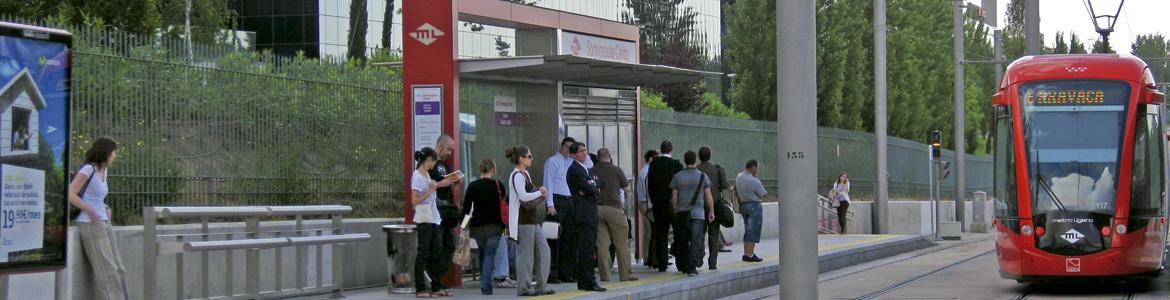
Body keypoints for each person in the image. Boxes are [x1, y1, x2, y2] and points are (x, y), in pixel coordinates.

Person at [69, 137, 129, 300]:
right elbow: (71, 194)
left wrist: (105, 207)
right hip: (90, 223)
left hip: (103, 221)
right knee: (107, 269)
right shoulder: (88, 169)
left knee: (118, 266)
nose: (115, 155)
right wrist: (91, 211)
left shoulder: (104, 171)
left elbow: (96, 196)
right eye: (114, 152)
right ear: (106, 152)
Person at [505, 145, 555, 296]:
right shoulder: (517, 176)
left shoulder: (525, 173)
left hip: (532, 219)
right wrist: (540, 192)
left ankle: (541, 285)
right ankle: (524, 287)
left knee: (544, 251)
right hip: (522, 220)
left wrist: (538, 191)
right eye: (529, 156)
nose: (532, 159)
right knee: (527, 255)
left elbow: (530, 192)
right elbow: (524, 196)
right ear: (521, 158)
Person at [461, 159, 514, 295]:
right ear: (493, 169)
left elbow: (466, 208)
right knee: (490, 253)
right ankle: (486, 285)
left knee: (484, 252)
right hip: (495, 226)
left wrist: (463, 226)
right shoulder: (498, 185)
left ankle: (484, 280)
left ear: (481, 169)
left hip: (477, 227)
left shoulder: (473, 186)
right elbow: (506, 204)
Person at [411, 147, 456, 298]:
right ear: (428, 160)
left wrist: (435, 186)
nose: (434, 163)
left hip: (433, 215)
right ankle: (420, 287)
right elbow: (414, 201)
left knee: (435, 250)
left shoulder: (427, 175)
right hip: (424, 215)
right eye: (433, 160)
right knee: (423, 251)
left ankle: (436, 285)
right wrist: (430, 191)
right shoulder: (418, 177)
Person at [542, 137, 588, 283]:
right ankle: (551, 273)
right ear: (562, 147)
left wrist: (577, 155)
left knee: (569, 239)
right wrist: (549, 204)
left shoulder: (572, 162)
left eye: (572, 149)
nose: (569, 150)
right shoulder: (553, 161)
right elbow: (547, 181)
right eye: (567, 147)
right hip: (556, 200)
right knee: (553, 238)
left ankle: (566, 272)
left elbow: (590, 163)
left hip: (570, 201)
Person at [590, 148, 638, 282]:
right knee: (621, 243)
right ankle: (625, 274)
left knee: (602, 244)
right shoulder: (616, 169)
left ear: (598, 158)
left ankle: (605, 275)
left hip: (597, 209)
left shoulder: (592, 171)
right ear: (610, 156)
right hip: (614, 209)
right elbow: (627, 188)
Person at [566, 142, 607, 291]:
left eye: (585, 150)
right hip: (584, 213)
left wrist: (593, 185)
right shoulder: (574, 170)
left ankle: (584, 280)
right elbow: (589, 187)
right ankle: (589, 280)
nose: (585, 153)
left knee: (587, 247)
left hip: (590, 211)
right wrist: (593, 186)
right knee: (587, 248)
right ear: (573, 155)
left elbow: (602, 182)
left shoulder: (586, 169)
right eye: (581, 151)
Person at [670, 151, 715, 277]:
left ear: (685, 161)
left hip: (682, 213)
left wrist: (675, 211)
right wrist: (711, 212)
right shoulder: (702, 176)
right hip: (698, 214)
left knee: (683, 240)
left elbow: (674, 197)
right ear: (695, 161)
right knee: (696, 240)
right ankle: (692, 267)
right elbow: (709, 196)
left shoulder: (677, 176)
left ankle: (683, 265)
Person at [429, 135, 462, 287]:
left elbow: (445, 184)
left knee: (450, 245)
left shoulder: (444, 164)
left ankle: (436, 277)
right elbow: (429, 183)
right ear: (440, 146)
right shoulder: (430, 162)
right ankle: (432, 279)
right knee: (437, 245)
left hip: (447, 209)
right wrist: (442, 183)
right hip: (435, 209)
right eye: (448, 149)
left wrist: (453, 182)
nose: (450, 153)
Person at [647, 141, 683, 271]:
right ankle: (680, 262)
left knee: (661, 234)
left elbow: (650, 184)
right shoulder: (676, 165)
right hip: (673, 204)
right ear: (671, 150)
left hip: (658, 203)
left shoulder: (654, 164)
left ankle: (662, 264)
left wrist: (654, 199)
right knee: (678, 233)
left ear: (661, 150)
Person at [694, 146, 730, 270]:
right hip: (714, 205)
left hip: (698, 206)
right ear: (710, 155)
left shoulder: (695, 169)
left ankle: (699, 257)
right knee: (714, 234)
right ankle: (712, 262)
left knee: (700, 233)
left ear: (699, 156)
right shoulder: (718, 169)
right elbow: (725, 185)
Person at [735, 160, 766, 262]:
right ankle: (750, 254)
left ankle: (746, 253)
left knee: (748, 230)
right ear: (753, 167)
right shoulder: (754, 181)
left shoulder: (739, 177)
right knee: (753, 230)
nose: (758, 170)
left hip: (743, 206)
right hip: (754, 206)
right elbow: (762, 194)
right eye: (757, 167)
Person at [637, 150, 659, 268]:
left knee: (649, 229)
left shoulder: (645, 170)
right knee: (650, 229)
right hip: (646, 203)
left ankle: (649, 256)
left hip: (645, 202)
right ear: (650, 159)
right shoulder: (646, 172)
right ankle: (647, 256)